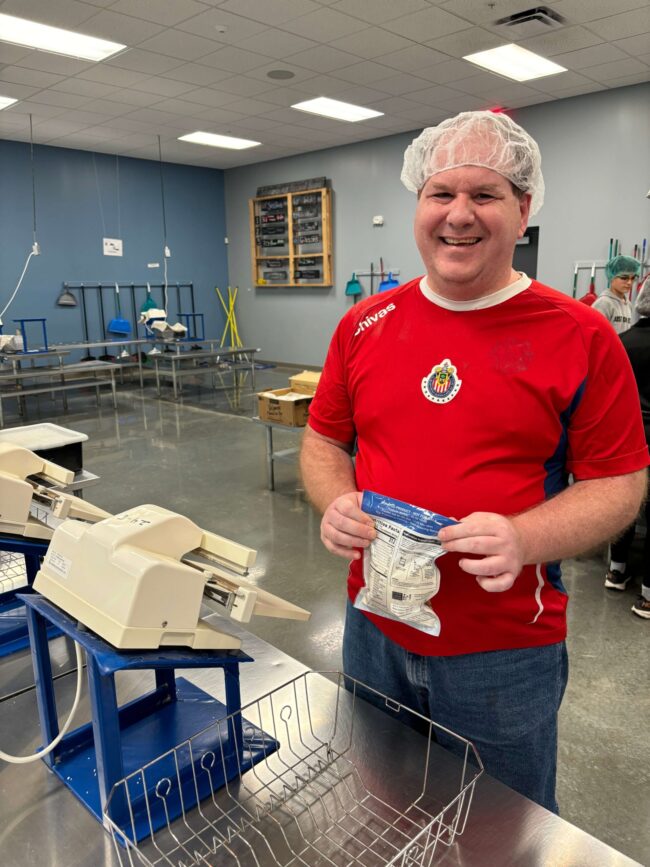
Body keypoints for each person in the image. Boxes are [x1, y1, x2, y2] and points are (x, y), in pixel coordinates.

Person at [300, 110, 648, 815]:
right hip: (374, 626)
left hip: (503, 652)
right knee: (380, 810)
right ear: (418, 206)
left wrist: (526, 538)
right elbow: (324, 441)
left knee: (500, 830)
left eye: (484, 195)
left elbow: (619, 482)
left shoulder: (580, 335)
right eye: (441, 194)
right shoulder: (365, 325)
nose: (459, 215)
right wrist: (333, 498)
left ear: (523, 210)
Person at [606, 279, 650, 618]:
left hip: (627, 437)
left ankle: (616, 571)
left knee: (626, 506)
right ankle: (648, 594)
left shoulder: (620, 341)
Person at [592, 255, 640, 334]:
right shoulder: (603, 303)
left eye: (632, 278)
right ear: (612, 277)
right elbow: (595, 334)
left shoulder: (628, 304)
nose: (629, 282)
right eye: (624, 278)